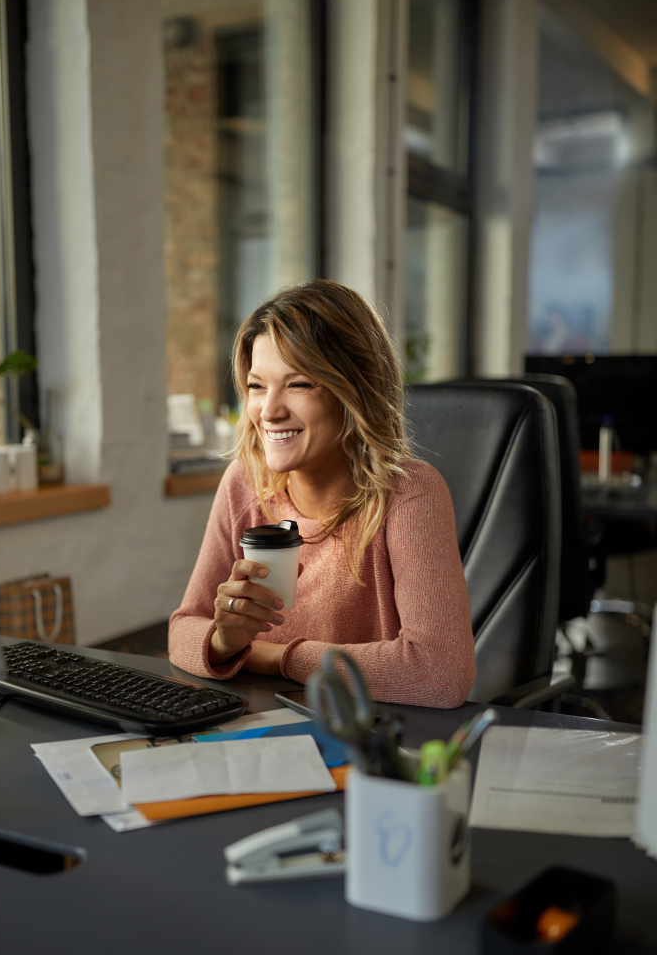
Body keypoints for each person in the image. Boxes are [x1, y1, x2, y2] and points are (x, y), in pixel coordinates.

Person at [168, 280, 475, 708]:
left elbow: (440, 674)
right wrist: (222, 640)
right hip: (260, 734)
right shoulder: (245, 482)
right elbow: (182, 630)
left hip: (366, 744)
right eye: (257, 386)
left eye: (298, 384)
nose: (269, 411)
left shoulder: (409, 494)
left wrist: (278, 658)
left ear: (354, 391)